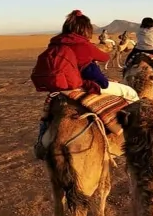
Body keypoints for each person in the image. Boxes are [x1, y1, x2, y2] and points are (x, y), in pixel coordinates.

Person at [35, 10, 140, 146]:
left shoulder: (55, 43)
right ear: (86, 30)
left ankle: (41, 139)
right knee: (130, 92)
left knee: (47, 115)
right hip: (81, 84)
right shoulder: (84, 44)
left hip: (60, 86)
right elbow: (105, 57)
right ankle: (135, 133)